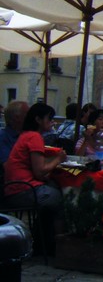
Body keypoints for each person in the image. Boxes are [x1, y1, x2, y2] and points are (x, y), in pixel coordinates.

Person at [3, 102, 67, 252]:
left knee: (52, 189)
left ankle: (42, 241)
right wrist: (58, 159)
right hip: (22, 189)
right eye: (49, 118)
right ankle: (60, 247)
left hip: (14, 187)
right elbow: (39, 171)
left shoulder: (25, 135)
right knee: (60, 199)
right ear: (38, 120)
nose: (52, 121)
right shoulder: (34, 137)